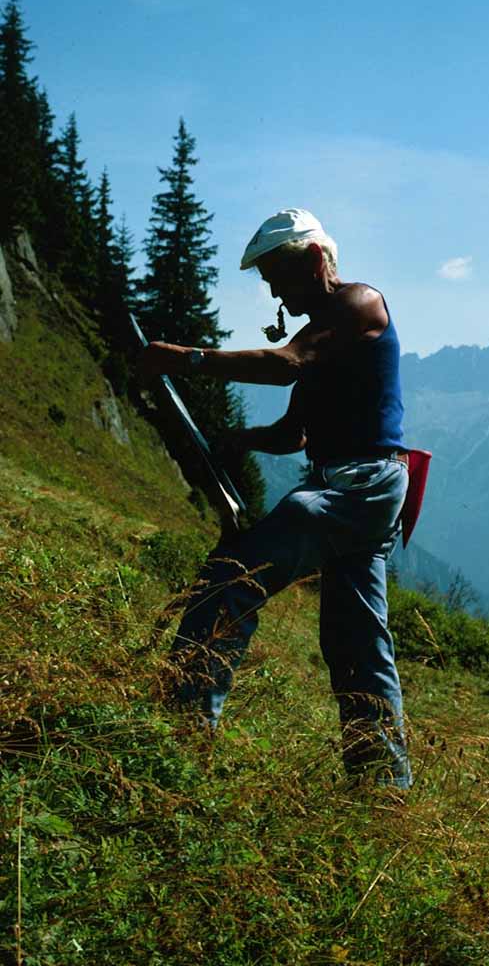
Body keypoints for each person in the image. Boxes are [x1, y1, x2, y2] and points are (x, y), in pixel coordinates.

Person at [138, 209, 412, 789]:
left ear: (315, 260)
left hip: (356, 485)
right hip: (360, 487)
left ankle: (179, 738)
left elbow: (286, 367)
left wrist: (187, 361)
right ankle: (382, 788)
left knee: (231, 580)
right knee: (357, 641)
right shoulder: (323, 335)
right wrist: (237, 440)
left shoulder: (359, 303)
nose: (272, 290)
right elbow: (295, 434)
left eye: (277, 275)